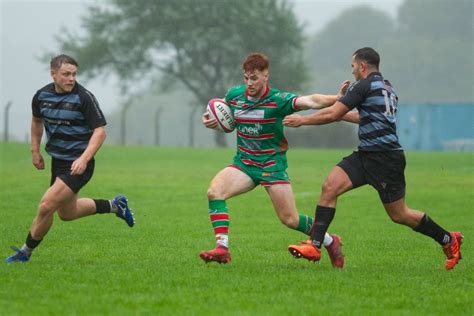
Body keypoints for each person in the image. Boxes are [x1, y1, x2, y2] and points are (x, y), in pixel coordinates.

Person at [283, 47, 463, 270]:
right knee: (330, 186)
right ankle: (316, 245)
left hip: (385, 159)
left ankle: (448, 239)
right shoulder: (387, 87)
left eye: (353, 67)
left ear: (362, 66)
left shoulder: (363, 85)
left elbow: (334, 113)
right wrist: (339, 111)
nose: (352, 72)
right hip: (367, 155)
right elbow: (363, 116)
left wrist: (303, 121)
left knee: (399, 214)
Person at [199, 52, 350, 267]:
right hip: (244, 164)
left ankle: (329, 240)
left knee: (290, 219)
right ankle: (222, 248)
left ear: (265, 75)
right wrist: (208, 118)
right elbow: (218, 108)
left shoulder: (277, 100)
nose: (249, 83)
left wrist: (338, 98)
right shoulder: (235, 96)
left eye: (254, 78)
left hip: (271, 165)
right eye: (246, 78)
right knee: (214, 192)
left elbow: (311, 100)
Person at [5, 54, 135, 263]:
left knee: (46, 205)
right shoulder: (41, 96)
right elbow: (37, 121)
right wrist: (35, 150)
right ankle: (114, 205)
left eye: (74, 74)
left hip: (79, 163)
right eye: (66, 74)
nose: (71, 78)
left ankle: (24, 253)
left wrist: (84, 158)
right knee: (67, 213)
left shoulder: (84, 97)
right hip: (58, 161)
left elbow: (99, 132)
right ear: (53, 74)